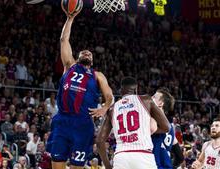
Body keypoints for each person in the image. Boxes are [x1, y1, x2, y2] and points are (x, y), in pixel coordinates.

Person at [49, 3, 113, 169]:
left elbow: (109, 96)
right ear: (77, 58)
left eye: (90, 54)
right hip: (63, 120)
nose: (87, 53)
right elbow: (64, 39)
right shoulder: (69, 66)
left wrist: (105, 107)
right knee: (57, 165)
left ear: (92, 61)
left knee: (77, 166)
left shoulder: (97, 75)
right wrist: (70, 18)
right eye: (83, 52)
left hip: (83, 123)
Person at [96, 77, 170, 169]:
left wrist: (108, 166)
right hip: (143, 155)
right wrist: (145, 130)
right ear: (136, 89)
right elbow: (166, 127)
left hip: (121, 157)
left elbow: (99, 141)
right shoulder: (146, 100)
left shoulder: (112, 109)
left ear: (121, 90)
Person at [151, 88, 184, 169]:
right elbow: (180, 157)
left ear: (160, 103)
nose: (151, 97)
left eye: (154, 97)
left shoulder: (152, 121)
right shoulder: (170, 127)